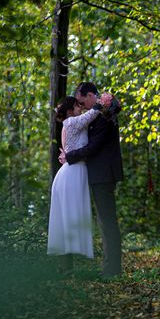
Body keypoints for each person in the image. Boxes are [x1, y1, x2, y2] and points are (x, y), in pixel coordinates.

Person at [60, 82, 123, 278]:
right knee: (104, 221)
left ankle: (111, 269)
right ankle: (109, 268)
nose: (81, 105)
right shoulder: (98, 114)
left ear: (90, 96)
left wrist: (69, 157)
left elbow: (94, 147)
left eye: (81, 100)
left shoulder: (104, 115)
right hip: (96, 173)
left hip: (103, 174)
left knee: (107, 221)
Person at [47, 94, 113, 272]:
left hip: (73, 172)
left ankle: (66, 266)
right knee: (67, 219)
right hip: (72, 174)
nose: (80, 108)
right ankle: (65, 266)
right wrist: (102, 102)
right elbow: (91, 114)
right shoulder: (71, 122)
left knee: (68, 218)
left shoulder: (71, 124)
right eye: (77, 106)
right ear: (70, 111)